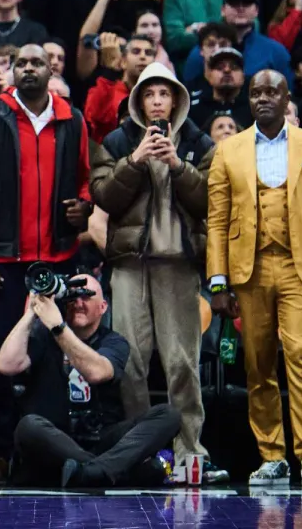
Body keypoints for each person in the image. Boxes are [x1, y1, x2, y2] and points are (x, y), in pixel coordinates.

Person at [0, 43, 91, 486]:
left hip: (57, 259)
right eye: (21, 63)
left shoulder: (73, 120)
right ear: (11, 71)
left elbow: (85, 182)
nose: (29, 69)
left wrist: (84, 206)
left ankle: (46, 454)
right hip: (1, 264)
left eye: (37, 62)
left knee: (51, 362)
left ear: (52, 68)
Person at [90, 63, 226, 482]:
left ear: (177, 100)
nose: (156, 102)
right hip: (130, 265)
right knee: (130, 362)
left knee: (182, 363)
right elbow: (103, 196)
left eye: (164, 94)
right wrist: (135, 161)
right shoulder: (118, 141)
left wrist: (178, 166)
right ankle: (142, 454)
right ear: (137, 101)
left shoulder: (199, 142)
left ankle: (190, 452)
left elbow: (211, 201)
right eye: (148, 94)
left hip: (179, 265)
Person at [207, 70, 302, 489]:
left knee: (301, 355)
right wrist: (218, 282)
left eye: (271, 92)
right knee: (258, 362)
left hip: (301, 266)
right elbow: (217, 220)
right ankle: (272, 455)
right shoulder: (228, 149)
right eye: (255, 92)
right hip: (250, 269)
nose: (263, 98)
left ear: (287, 98)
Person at [0, 273, 181, 487]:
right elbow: (6, 365)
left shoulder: (114, 342)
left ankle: (91, 471)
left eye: (86, 296)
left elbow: (97, 372)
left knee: (168, 415)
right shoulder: (43, 335)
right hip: (53, 440)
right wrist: (31, 312)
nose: (78, 303)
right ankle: (106, 472)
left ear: (103, 307)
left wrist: (59, 328)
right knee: (28, 426)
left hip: (102, 440)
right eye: (72, 297)